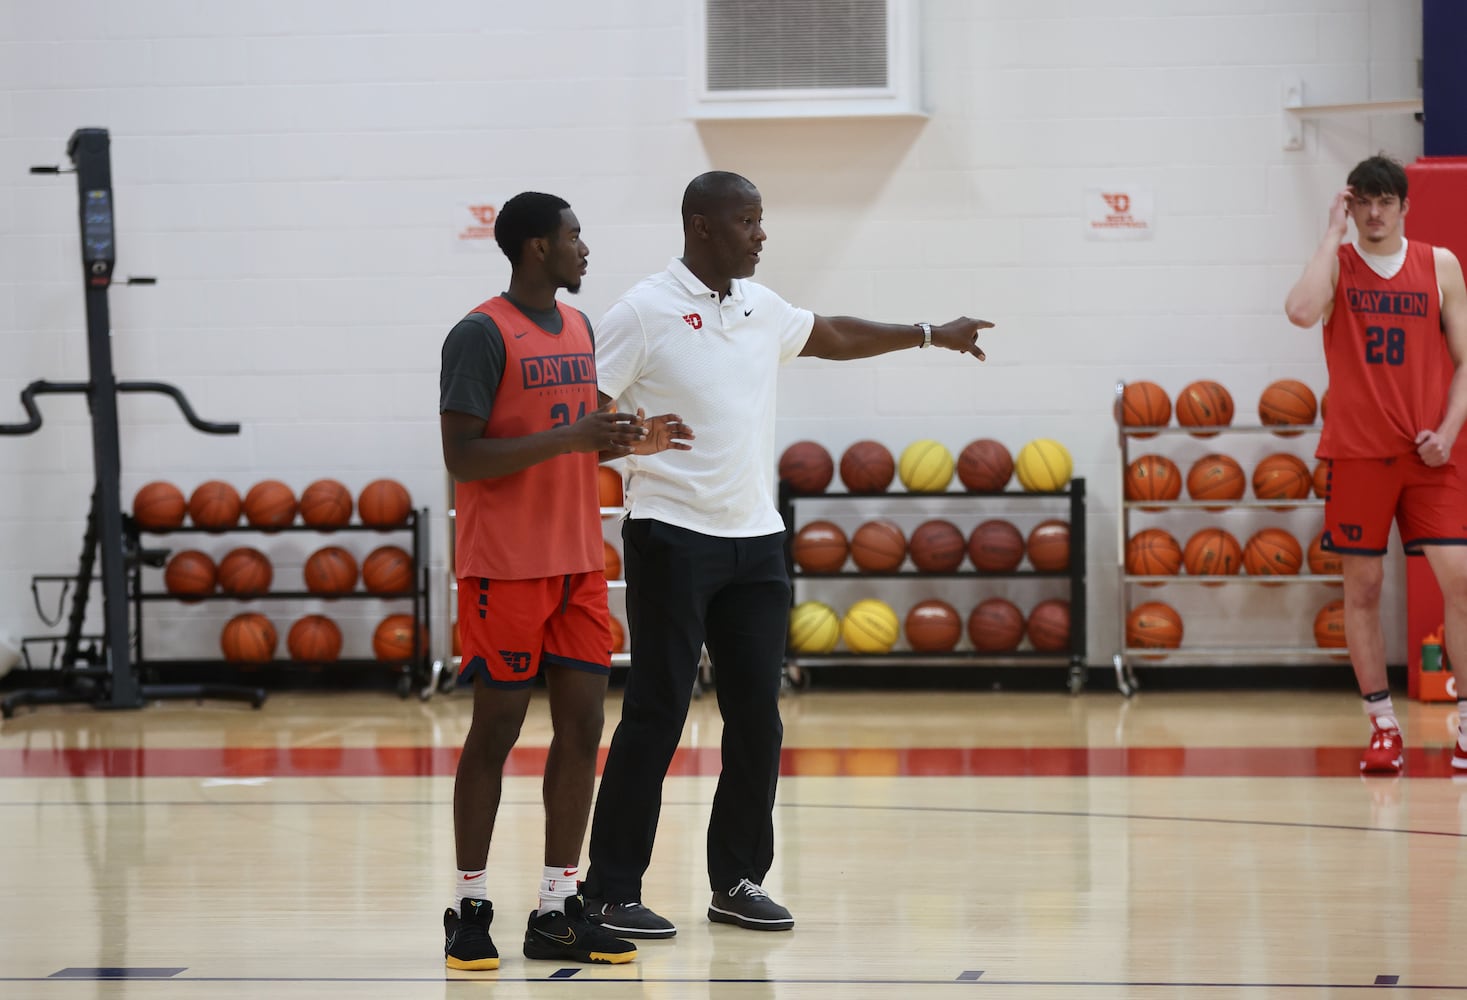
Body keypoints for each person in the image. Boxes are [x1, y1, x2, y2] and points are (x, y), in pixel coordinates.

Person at [580, 170, 992, 937]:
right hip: (670, 534)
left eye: (760, 219)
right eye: (747, 221)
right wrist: (636, 440)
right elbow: (580, 417)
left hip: (754, 541)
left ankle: (736, 880)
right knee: (657, 711)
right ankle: (609, 890)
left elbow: (830, 332)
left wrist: (931, 333)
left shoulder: (758, 305)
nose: (761, 233)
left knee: (757, 722)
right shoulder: (640, 311)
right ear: (701, 227)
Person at [438, 191, 692, 969]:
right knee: (497, 732)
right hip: (504, 568)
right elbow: (464, 458)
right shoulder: (480, 334)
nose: (586, 248)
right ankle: (470, 905)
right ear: (535, 247)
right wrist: (572, 435)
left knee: (582, 729)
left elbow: (572, 444)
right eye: (574, 236)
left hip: (578, 562)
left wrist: (628, 442)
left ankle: (556, 905)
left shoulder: (579, 327)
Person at [1284, 154, 1467, 775]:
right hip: (1358, 455)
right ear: (1351, 204)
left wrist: (1448, 430)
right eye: (1363, 200)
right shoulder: (1336, 266)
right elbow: (1301, 312)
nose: (1375, 212)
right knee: (1361, 591)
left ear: (1404, 206)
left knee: (1460, 581)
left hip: (1428, 454)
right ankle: (1383, 727)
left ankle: (1466, 724)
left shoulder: (1440, 265)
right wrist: (1329, 237)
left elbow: (1466, 362)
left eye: (1386, 201)